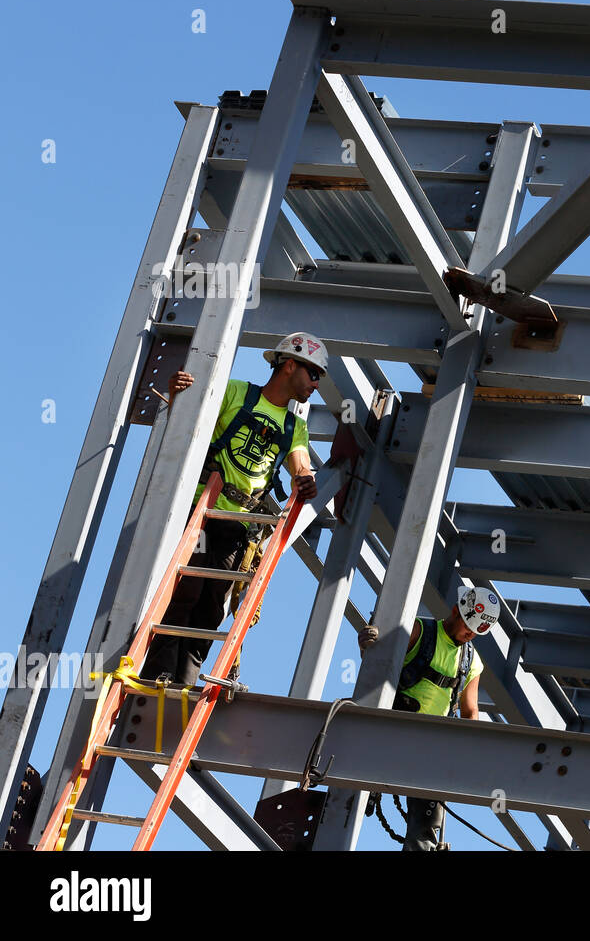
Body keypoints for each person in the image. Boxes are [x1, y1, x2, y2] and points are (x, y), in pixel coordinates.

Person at [140, 332, 326, 687]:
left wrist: (305, 479)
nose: (316, 384)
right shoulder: (237, 393)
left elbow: (300, 464)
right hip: (203, 512)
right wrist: (179, 392)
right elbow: (189, 419)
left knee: (211, 609)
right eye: (313, 373)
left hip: (238, 527)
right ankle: (158, 676)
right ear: (290, 365)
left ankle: (184, 683)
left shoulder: (294, 427)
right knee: (186, 593)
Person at [357, 585, 501, 850]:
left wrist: (474, 748)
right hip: (392, 732)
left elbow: (470, 711)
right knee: (351, 796)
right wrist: (367, 647)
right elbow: (377, 665)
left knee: (426, 829)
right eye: (468, 626)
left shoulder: (471, 661)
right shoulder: (419, 632)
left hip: (429, 748)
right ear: (456, 611)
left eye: (477, 632)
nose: (470, 634)